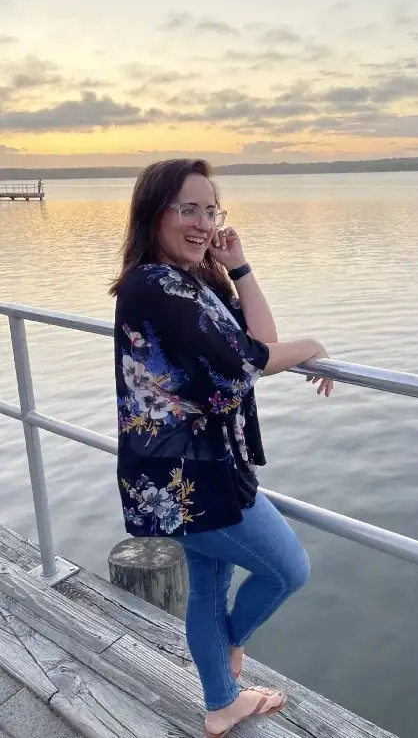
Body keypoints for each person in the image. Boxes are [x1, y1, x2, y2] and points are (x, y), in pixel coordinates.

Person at [109, 158, 333, 737]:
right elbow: (248, 363)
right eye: (189, 208)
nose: (203, 222)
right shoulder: (154, 285)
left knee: (209, 583)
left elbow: (259, 339)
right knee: (289, 571)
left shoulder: (194, 283)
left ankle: (221, 704)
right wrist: (315, 345)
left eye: (211, 210)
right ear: (154, 212)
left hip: (197, 468)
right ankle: (228, 648)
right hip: (187, 475)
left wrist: (239, 266)